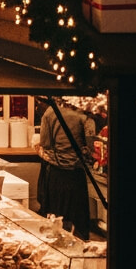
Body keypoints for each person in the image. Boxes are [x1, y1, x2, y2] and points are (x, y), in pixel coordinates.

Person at [37, 100, 97, 239]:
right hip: (75, 174)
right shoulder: (84, 116)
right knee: (78, 223)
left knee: (55, 220)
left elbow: (45, 143)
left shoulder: (49, 112)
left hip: (55, 173)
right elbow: (91, 147)